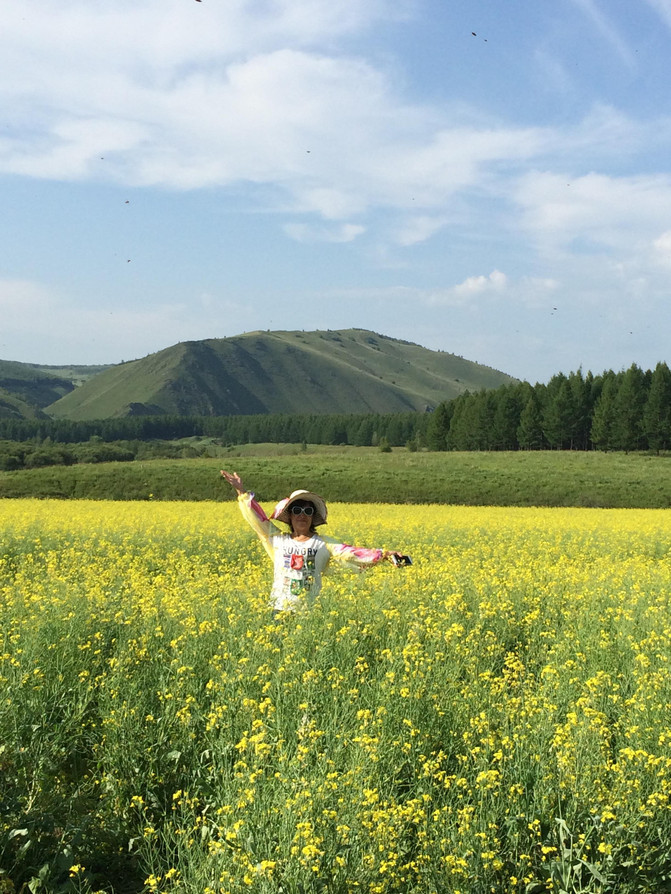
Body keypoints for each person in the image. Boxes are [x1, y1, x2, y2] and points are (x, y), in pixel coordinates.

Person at [220, 470, 406, 613]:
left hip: (308, 614)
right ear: (290, 515)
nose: (302, 515)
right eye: (297, 510)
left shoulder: (323, 543)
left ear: (313, 517)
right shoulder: (276, 540)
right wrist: (241, 491)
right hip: (278, 610)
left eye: (308, 511)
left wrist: (385, 554)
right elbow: (257, 519)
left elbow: (353, 553)